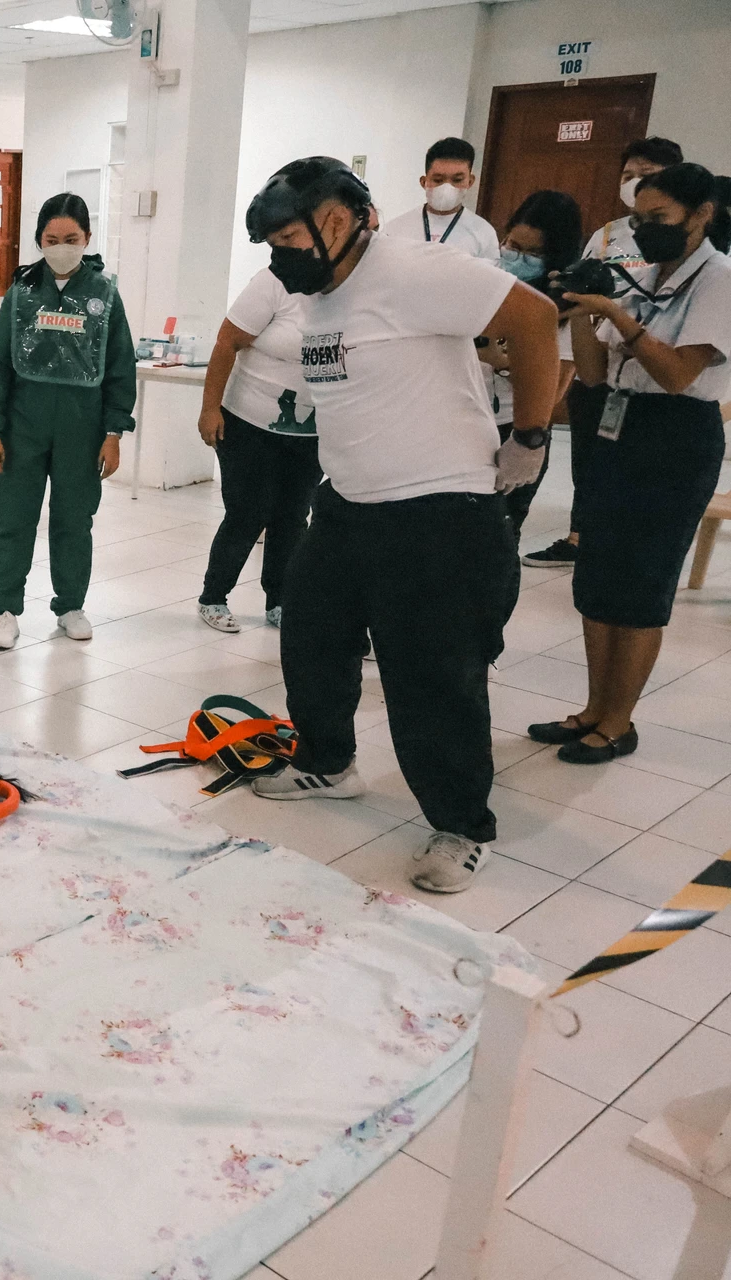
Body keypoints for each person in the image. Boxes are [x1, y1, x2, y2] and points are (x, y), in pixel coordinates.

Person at [241, 157, 560, 895]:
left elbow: (536, 318)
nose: (279, 257)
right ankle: (329, 764)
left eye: (287, 240)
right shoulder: (318, 292)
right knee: (312, 639)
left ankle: (462, 827)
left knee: (431, 676)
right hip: (347, 501)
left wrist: (530, 436)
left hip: (438, 508)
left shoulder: (415, 270)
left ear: (335, 221)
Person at [531, 164, 731, 764]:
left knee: (642, 583)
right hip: (615, 427)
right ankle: (594, 709)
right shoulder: (642, 278)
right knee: (598, 578)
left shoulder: (719, 281)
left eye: (659, 218)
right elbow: (594, 374)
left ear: (701, 214)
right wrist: (582, 311)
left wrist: (618, 316)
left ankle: (619, 722)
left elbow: (677, 375)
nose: (645, 230)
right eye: (638, 219)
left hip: (677, 437)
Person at [0, 192, 138, 650]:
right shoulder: (22, 293)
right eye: (52, 239)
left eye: (72, 238)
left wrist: (114, 432)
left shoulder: (105, 296)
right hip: (21, 428)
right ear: (39, 241)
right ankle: (5, 611)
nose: (62, 247)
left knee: (74, 521)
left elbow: (121, 367)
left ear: (87, 238)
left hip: (82, 430)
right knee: (13, 520)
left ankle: (70, 605)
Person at [523, 136, 685, 570]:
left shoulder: (680, 246)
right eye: (627, 175)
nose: (633, 184)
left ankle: (619, 545)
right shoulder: (608, 234)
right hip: (597, 360)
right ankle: (579, 537)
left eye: (646, 176)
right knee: (588, 459)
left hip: (651, 371)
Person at [194, 266, 321, 633]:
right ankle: (213, 597)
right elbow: (226, 343)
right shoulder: (275, 281)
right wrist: (210, 408)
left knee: (292, 518)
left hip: (311, 432)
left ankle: (280, 601)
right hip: (248, 423)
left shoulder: (348, 292)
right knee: (248, 512)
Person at [483, 190, 583, 538]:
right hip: (463, 421)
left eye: (534, 253)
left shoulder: (563, 307)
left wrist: (501, 362)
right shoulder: (485, 280)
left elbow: (554, 392)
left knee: (499, 536)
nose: (518, 258)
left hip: (518, 429)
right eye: (513, 245)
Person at [380, 137, 501, 263]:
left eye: (457, 180)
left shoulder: (484, 234)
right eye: (438, 180)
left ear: (470, 182)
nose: (447, 187)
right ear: (423, 182)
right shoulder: (395, 229)